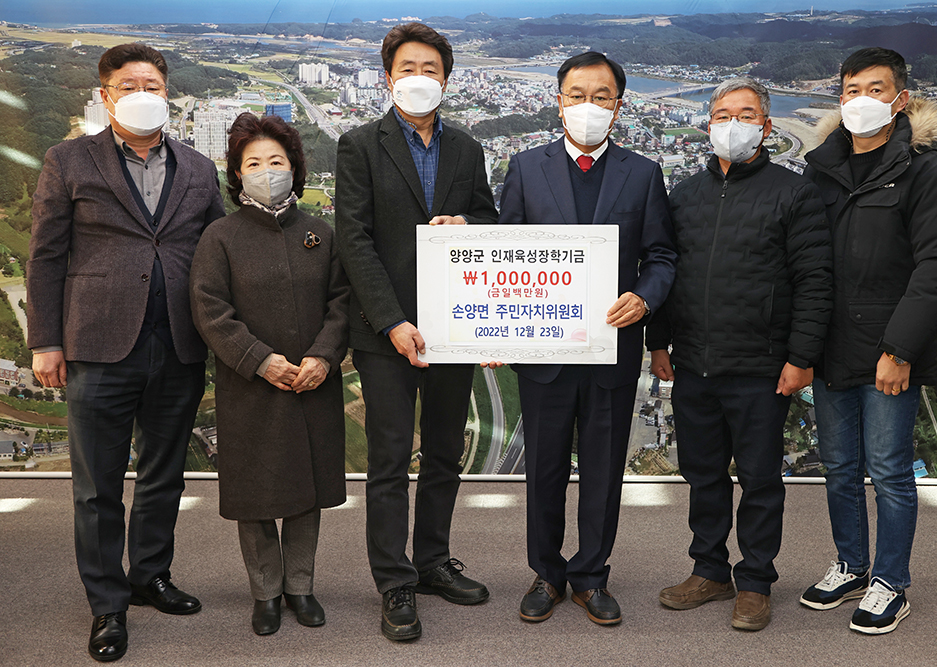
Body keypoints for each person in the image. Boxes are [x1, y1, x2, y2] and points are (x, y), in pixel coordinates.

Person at [27, 43, 225, 662]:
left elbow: (217, 248)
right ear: (106, 96)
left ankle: (150, 576)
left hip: (179, 342)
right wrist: (46, 340)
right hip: (98, 344)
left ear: (168, 93)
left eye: (153, 84)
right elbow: (46, 256)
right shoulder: (68, 160)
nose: (143, 93)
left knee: (165, 474)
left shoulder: (197, 167)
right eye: (128, 84)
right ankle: (107, 605)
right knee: (96, 486)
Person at [495, 51, 676, 626]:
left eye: (602, 96)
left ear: (618, 107)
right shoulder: (526, 167)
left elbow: (663, 255)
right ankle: (546, 573)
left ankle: (592, 575)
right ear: (559, 100)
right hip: (545, 352)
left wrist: (645, 297)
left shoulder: (643, 172)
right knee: (543, 468)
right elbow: (508, 256)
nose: (588, 106)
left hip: (612, 350)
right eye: (577, 95)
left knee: (602, 471)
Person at [648, 77, 833, 632]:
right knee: (702, 474)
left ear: (766, 126)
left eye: (745, 114)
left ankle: (754, 580)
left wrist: (801, 357)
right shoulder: (683, 195)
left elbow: (815, 281)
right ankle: (709, 571)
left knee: (758, 478)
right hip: (694, 363)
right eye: (722, 114)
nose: (733, 123)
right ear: (708, 125)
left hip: (761, 364)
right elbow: (661, 269)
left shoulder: (794, 193)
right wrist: (659, 342)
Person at [799, 47, 937, 634]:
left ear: (900, 99)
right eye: (850, 90)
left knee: (891, 470)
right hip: (829, 348)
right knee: (840, 467)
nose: (860, 100)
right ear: (839, 97)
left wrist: (899, 350)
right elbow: (802, 259)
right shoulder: (819, 168)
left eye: (875, 89)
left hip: (888, 354)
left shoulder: (930, 172)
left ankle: (890, 580)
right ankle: (850, 563)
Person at [335, 22, 498, 642]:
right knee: (388, 457)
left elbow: (487, 217)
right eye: (408, 67)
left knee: (446, 454)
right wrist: (393, 320)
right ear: (387, 76)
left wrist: (468, 221)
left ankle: (432, 561)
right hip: (385, 332)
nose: (419, 78)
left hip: (453, 326)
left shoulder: (466, 147)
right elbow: (354, 238)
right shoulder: (358, 144)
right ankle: (394, 581)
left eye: (431, 68)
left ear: (447, 80)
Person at [189, 112, 351, 637]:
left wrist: (323, 357)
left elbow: (341, 303)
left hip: (311, 384)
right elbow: (210, 309)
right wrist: (261, 360)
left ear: (294, 168)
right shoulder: (221, 236)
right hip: (250, 387)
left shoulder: (320, 234)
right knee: (256, 496)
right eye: (252, 162)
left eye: (276, 161)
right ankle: (265, 592)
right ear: (236, 173)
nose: (265, 170)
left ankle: (301, 587)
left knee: (307, 492)